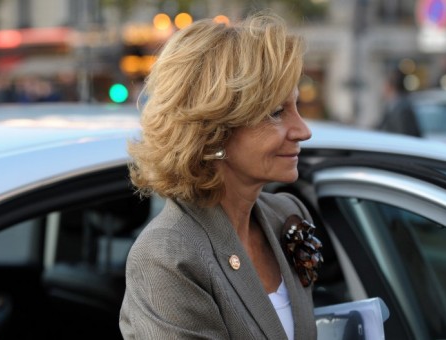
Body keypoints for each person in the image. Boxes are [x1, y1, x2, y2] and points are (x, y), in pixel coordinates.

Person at [120, 12, 319, 339]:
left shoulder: (286, 216)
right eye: (276, 113)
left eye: (297, 107)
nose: (303, 130)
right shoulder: (168, 255)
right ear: (214, 129)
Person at [377, 69, 422, 137]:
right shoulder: (392, 105)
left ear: (390, 86)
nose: (382, 89)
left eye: (384, 85)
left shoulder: (402, 109)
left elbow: (404, 135)